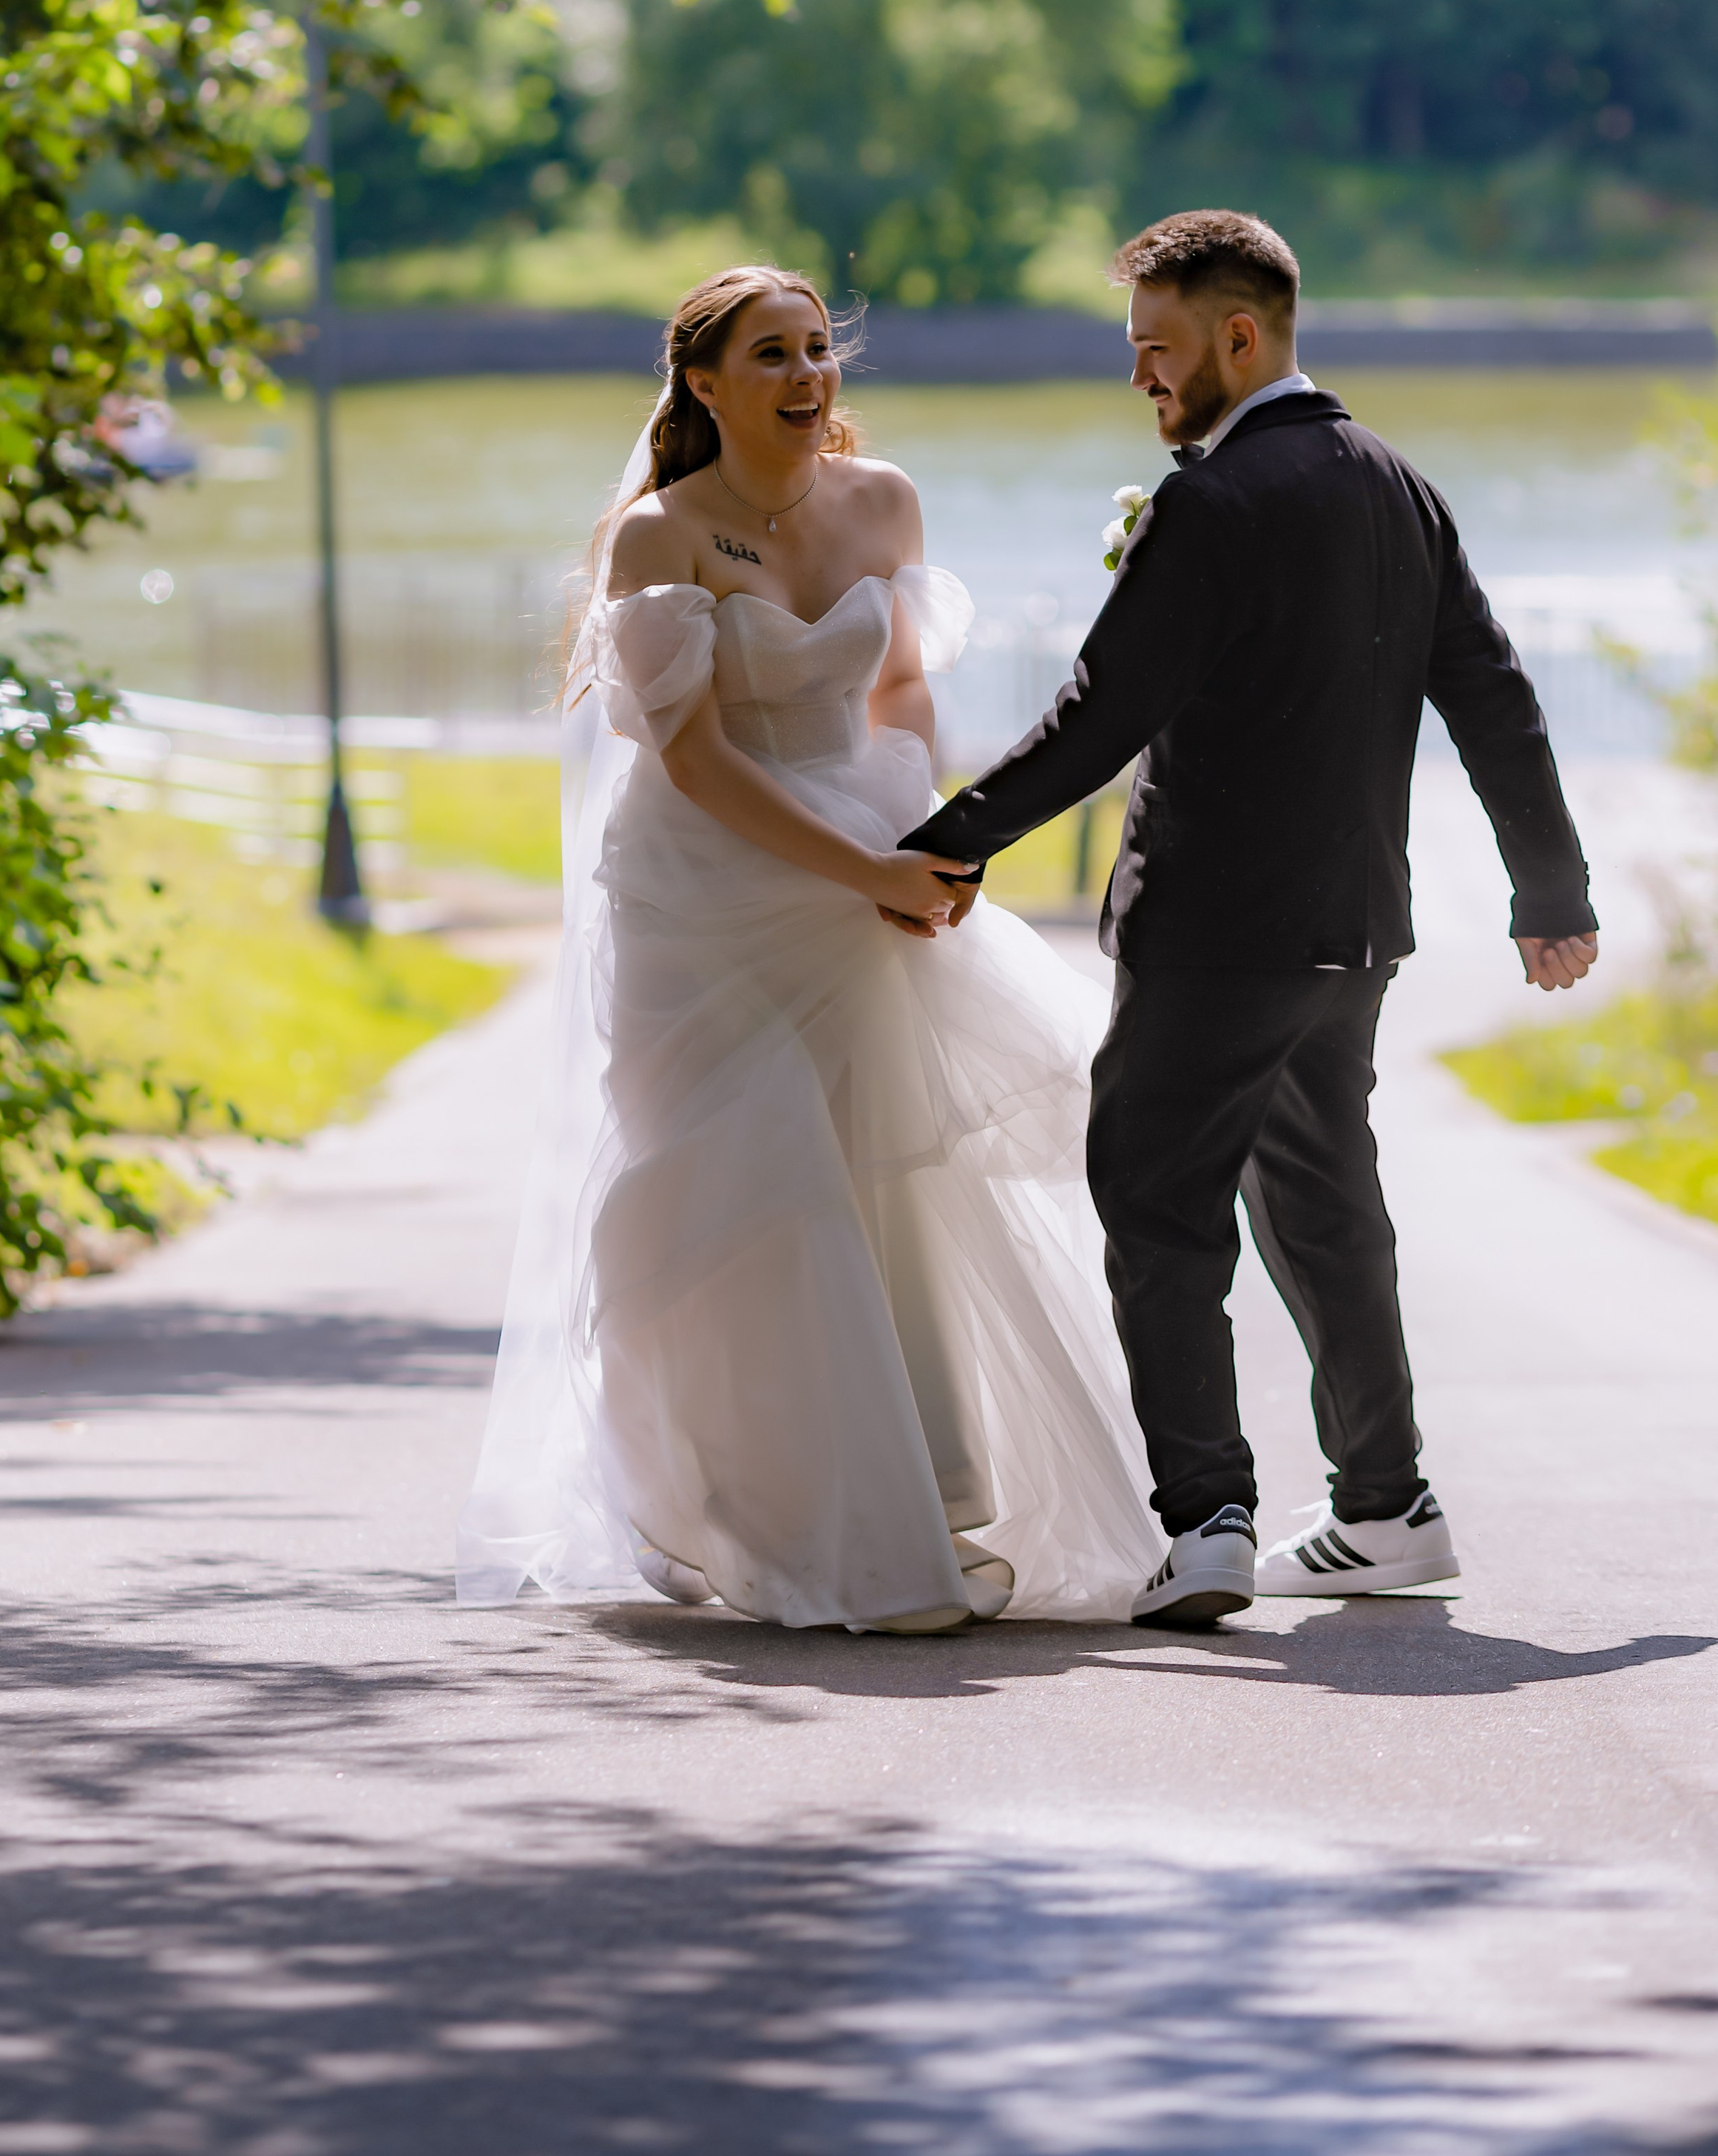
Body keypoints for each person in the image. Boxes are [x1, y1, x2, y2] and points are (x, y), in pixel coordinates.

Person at [899, 209, 1599, 1626]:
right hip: (1354, 930)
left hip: (1213, 931)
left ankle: (1206, 1515)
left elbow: (1104, 715)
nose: (1143, 380)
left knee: (1156, 1201)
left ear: (1240, 334)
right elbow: (1497, 699)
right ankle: (1387, 1504)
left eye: (1158, 351)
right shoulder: (1399, 487)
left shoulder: (1212, 505)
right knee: (1325, 1203)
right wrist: (1550, 890)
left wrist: (951, 840)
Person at [456, 265, 1160, 1632]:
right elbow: (697, 759)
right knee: (753, 1188)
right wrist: (865, 872)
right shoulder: (657, 539)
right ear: (703, 384)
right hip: (705, 902)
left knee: (885, 1182)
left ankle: (922, 1503)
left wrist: (932, 839)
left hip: (875, 851)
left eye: (819, 350)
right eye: (769, 355)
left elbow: (898, 686)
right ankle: (769, 1516)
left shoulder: (883, 501)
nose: (804, 377)